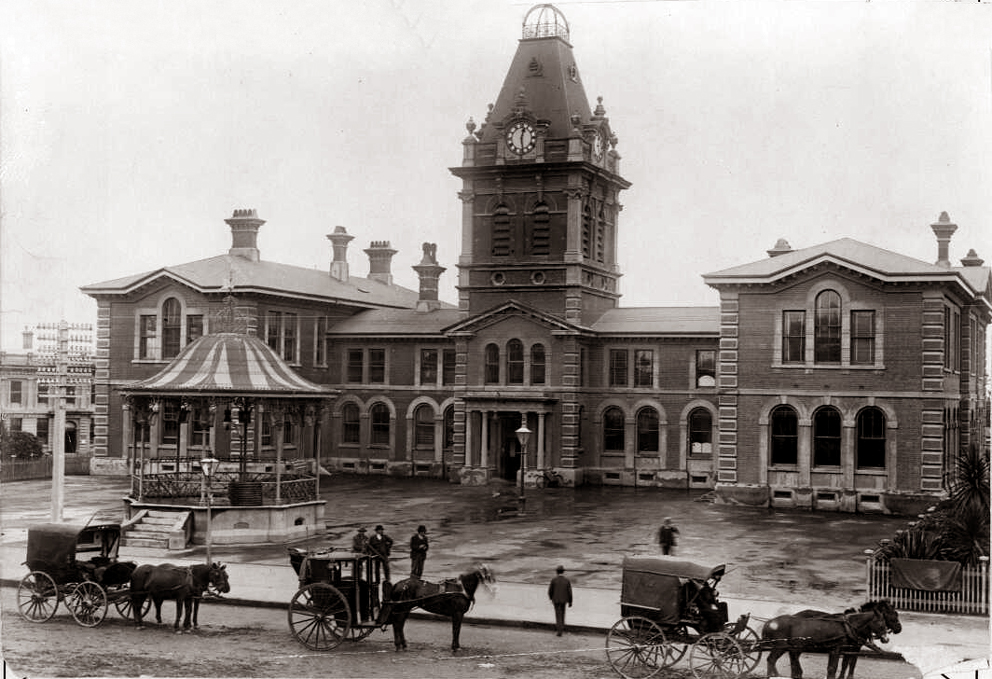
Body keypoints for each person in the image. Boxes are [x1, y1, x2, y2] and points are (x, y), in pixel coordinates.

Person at [547, 565, 573, 636]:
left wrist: (551, 598)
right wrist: (570, 601)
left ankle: (559, 631)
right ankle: (561, 628)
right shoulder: (567, 580)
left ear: (557, 572)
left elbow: (550, 591)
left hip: (556, 600)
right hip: (564, 600)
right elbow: (570, 592)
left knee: (558, 615)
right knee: (563, 614)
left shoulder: (554, 580)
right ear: (563, 572)